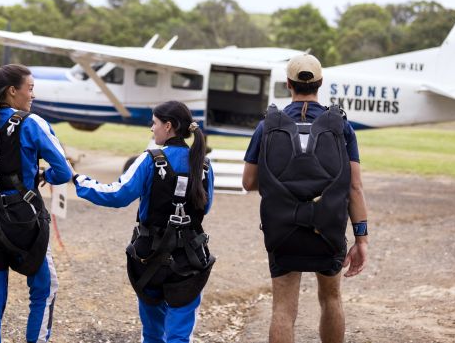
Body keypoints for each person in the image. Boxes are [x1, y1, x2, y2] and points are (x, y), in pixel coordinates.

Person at [242, 53, 368, 343]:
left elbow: (248, 182)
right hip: (328, 230)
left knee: (283, 308)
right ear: (320, 84)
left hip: (282, 232)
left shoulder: (267, 125)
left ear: (288, 84)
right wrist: (361, 239)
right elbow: (355, 187)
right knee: (332, 299)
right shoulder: (341, 126)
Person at [75, 100, 215, 343]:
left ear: (168, 126)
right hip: (190, 261)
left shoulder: (150, 159)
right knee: (179, 336)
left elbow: (117, 195)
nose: (152, 129)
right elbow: (206, 206)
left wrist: (79, 180)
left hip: (150, 259)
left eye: (154, 123)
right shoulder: (203, 164)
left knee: (152, 334)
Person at [0, 64, 75, 343]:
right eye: (31, 89)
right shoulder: (31, 123)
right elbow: (64, 172)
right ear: (13, 91)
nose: (33, 95)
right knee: (44, 290)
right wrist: (42, 175)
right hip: (24, 224)